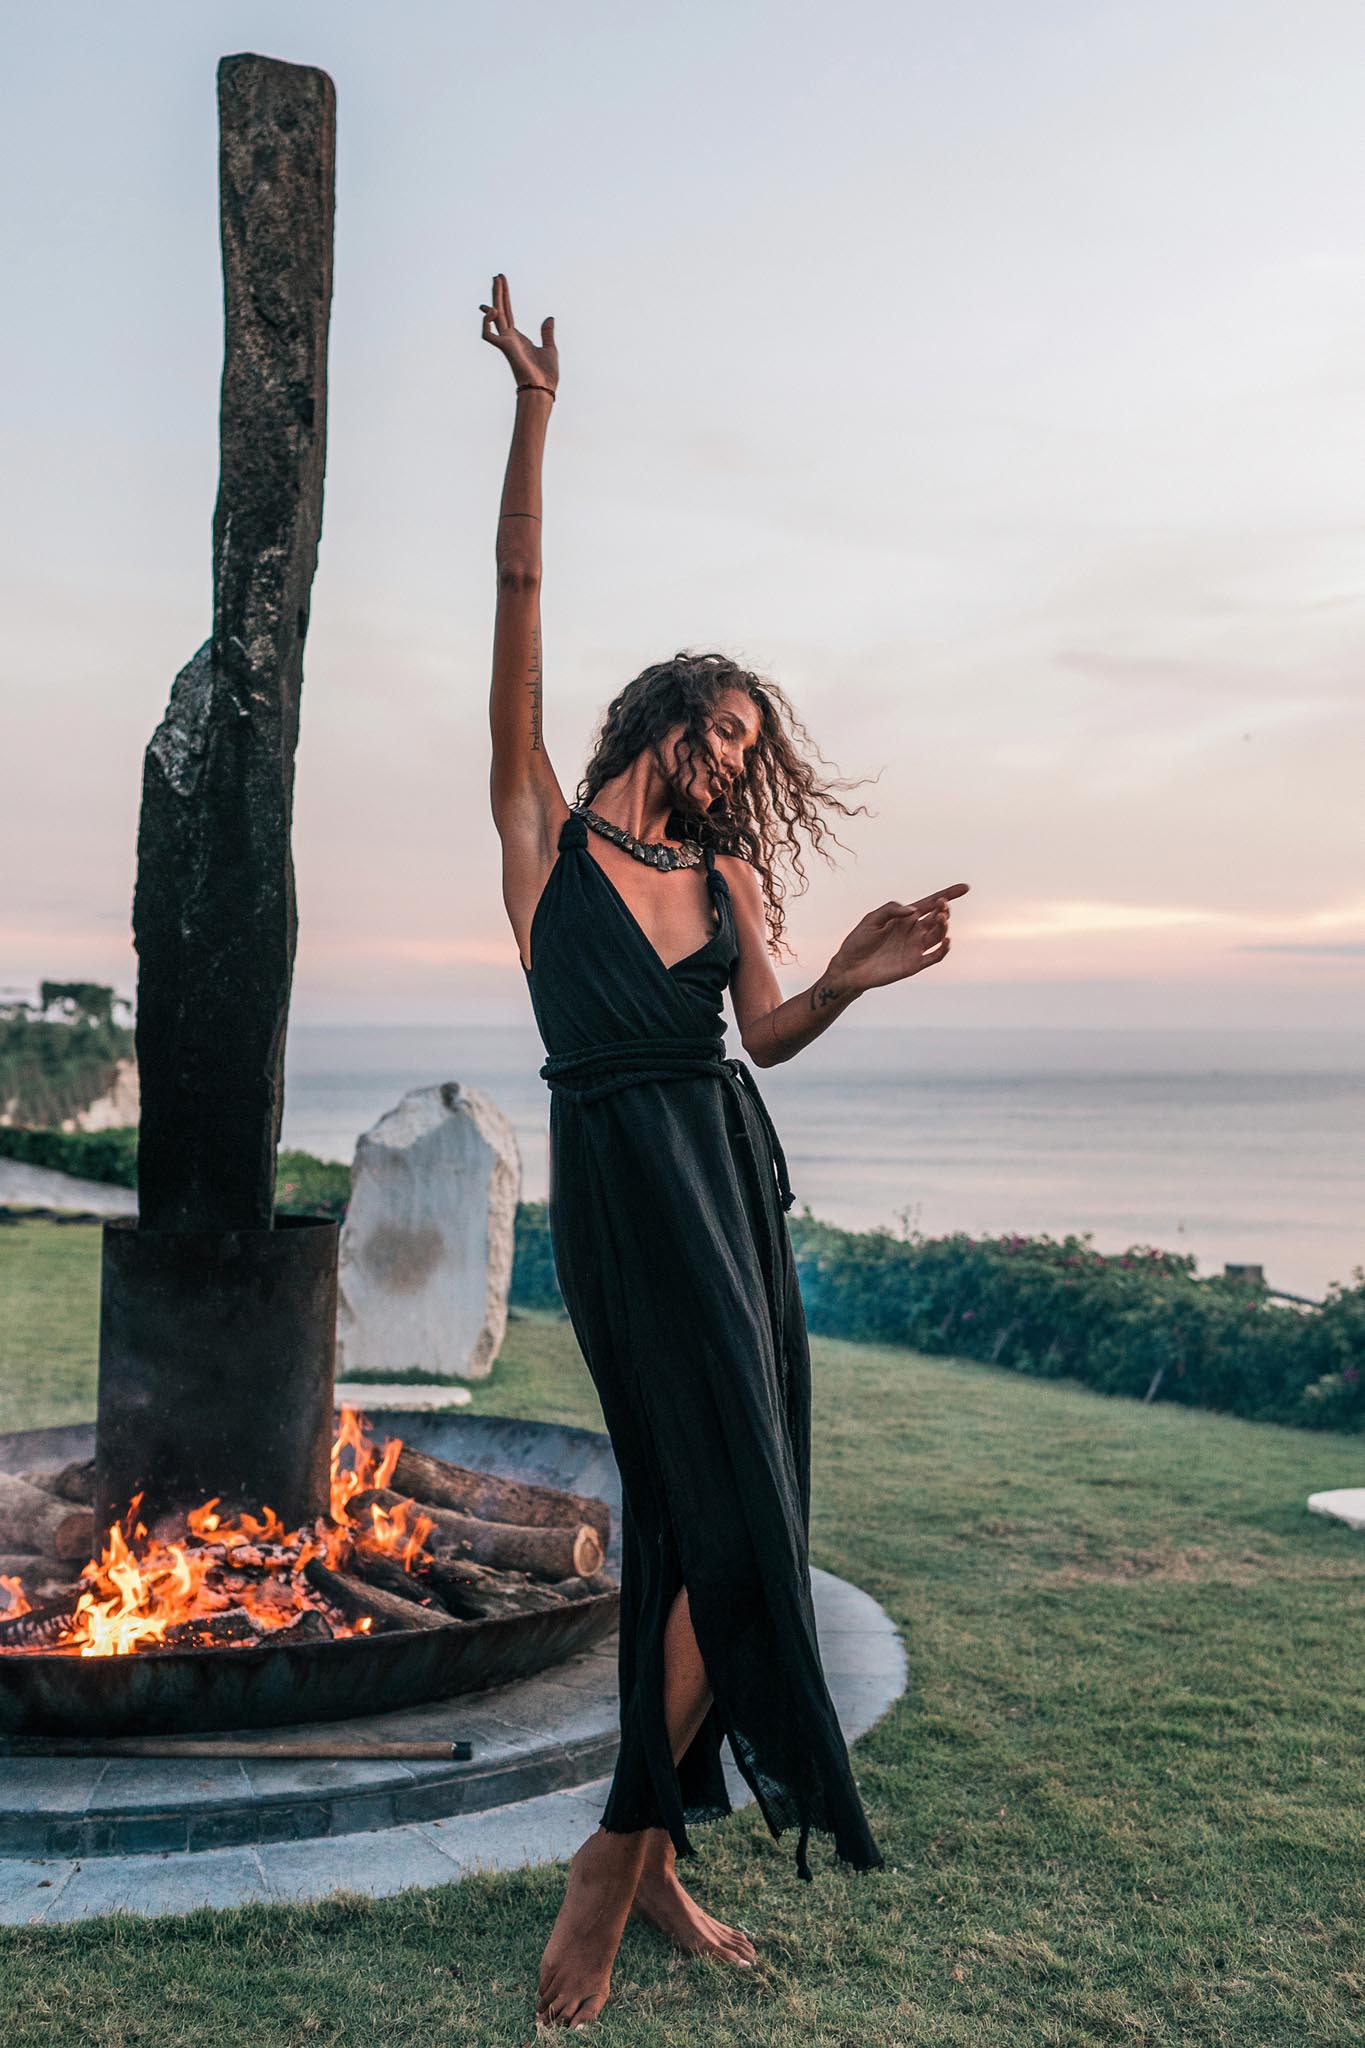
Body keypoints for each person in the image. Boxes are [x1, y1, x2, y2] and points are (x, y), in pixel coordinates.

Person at [480, 273, 969, 2033]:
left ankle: (631, 1864)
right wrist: (536, 413)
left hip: (727, 1177)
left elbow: (758, 1036)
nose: (727, 763)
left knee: (725, 1517)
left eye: (748, 750)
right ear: (660, 713)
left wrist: (842, 972)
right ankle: (632, 1857)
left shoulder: (727, 884)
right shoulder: (537, 828)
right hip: (619, 1188)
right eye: (717, 729)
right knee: (712, 1514)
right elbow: (517, 592)